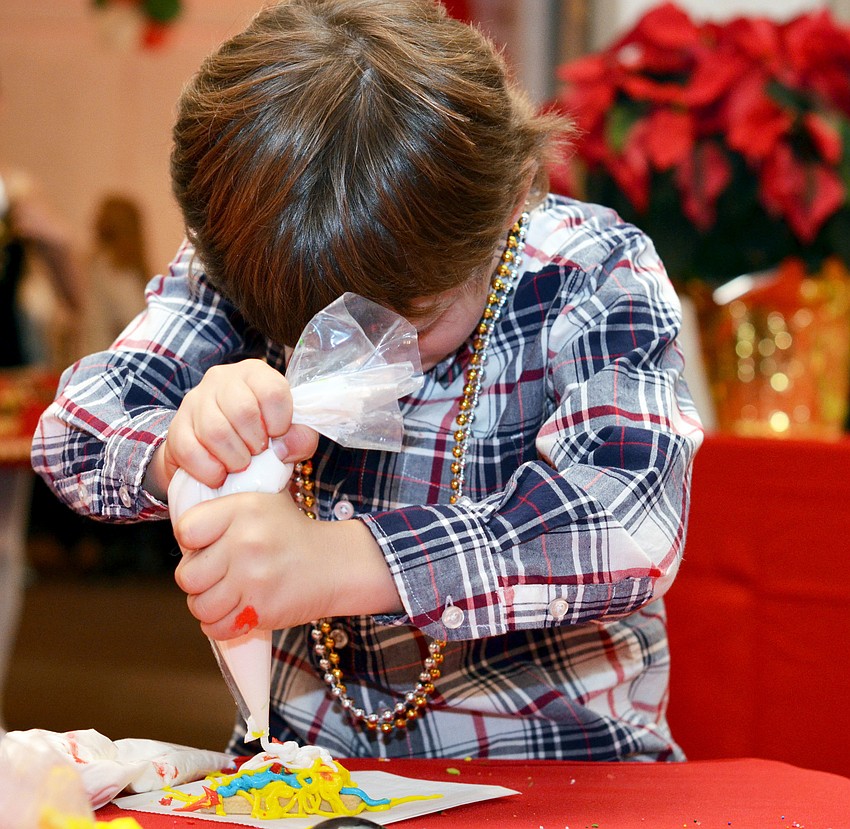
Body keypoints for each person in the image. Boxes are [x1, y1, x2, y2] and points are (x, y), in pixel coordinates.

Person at [32, 0, 703, 761]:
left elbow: (631, 523)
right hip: (308, 773)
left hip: (565, 772)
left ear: (511, 198)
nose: (364, 355)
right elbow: (73, 429)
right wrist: (181, 446)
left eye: (411, 325)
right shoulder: (267, 254)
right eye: (309, 333)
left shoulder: (590, 270)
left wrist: (348, 562)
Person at [0, 168, 81, 733]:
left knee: (4, 553)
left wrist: (54, 239)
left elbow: (74, 296)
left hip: (6, 391)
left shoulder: (15, 191)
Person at [81, 194, 150, 356]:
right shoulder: (118, 270)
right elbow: (136, 320)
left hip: (94, 358)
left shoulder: (94, 265)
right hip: (112, 362)